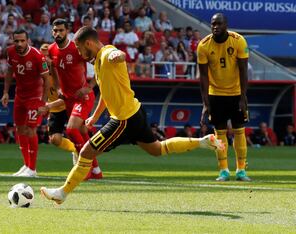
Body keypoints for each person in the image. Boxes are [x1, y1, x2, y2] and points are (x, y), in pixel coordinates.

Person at [40, 26, 224, 205]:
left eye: (80, 48)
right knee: (157, 149)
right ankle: (203, 141)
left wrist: (117, 55)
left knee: (86, 152)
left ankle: (62, 193)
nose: (79, 53)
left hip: (123, 120)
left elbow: (118, 55)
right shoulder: (97, 62)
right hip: (134, 112)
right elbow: (105, 92)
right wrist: (95, 117)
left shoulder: (106, 54)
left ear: (88, 43)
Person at [43, 19, 102, 179]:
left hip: (83, 97)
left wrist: (89, 87)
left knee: (71, 130)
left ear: (67, 31)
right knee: (82, 132)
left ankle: (85, 168)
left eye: (61, 30)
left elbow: (100, 64)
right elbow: (53, 71)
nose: (58, 33)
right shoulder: (51, 49)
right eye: (55, 31)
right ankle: (96, 171)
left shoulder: (76, 48)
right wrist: (59, 87)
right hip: (68, 99)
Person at [197, 13, 251, 182]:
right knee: (219, 134)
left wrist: (243, 97)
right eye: (213, 24)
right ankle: (224, 171)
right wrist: (206, 103)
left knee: (239, 132)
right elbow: (203, 76)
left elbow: (243, 71)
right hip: (216, 95)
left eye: (219, 24)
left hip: (235, 94)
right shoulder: (203, 45)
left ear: (226, 25)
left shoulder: (238, 41)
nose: (215, 27)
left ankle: (241, 170)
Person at [1, 28, 50, 177]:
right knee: (20, 129)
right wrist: (5, 92)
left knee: (30, 130)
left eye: (22, 40)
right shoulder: (10, 52)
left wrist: (43, 103)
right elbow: (9, 72)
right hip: (19, 97)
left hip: (34, 98)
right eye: (16, 41)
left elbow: (47, 80)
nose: (19, 43)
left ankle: (33, 169)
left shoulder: (37, 56)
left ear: (28, 40)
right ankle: (26, 165)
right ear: (13, 41)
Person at [39, 43, 79, 164]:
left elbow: (67, 97)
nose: (45, 59)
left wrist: (48, 106)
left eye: (47, 56)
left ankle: (88, 160)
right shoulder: (40, 73)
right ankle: (75, 149)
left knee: (78, 133)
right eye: (42, 56)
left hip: (69, 106)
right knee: (55, 139)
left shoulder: (61, 72)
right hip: (55, 110)